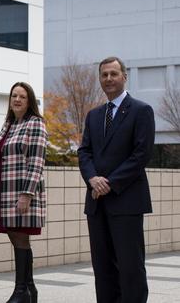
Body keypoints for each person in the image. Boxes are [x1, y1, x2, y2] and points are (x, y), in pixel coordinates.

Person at [78, 56, 154, 303]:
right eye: (104, 75)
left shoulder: (141, 111)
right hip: (97, 203)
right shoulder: (93, 115)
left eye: (113, 74)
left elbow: (140, 155)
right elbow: (84, 152)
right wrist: (92, 178)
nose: (108, 79)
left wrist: (109, 182)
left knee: (130, 268)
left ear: (124, 76)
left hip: (127, 202)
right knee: (103, 269)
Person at [0, 82, 47, 303]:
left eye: (22, 96)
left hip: (23, 191)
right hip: (5, 191)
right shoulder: (9, 124)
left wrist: (27, 194)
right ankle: (29, 289)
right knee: (14, 236)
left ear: (29, 100)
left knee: (21, 237)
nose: (17, 100)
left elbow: (37, 161)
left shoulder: (36, 124)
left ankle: (22, 290)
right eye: (14, 96)